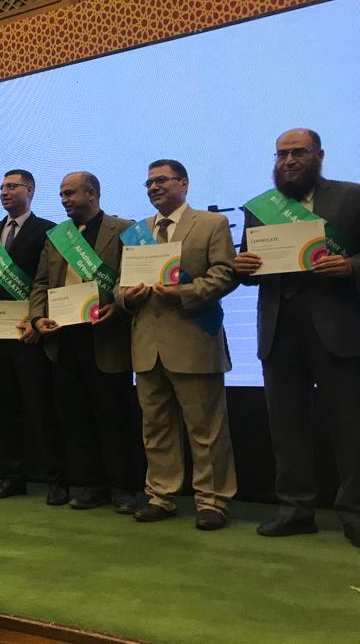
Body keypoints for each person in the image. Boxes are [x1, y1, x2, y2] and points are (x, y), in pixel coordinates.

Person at [233, 128, 360, 547]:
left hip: (337, 330)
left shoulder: (351, 197)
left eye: (298, 152)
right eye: (281, 154)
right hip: (278, 331)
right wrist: (242, 267)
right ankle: (295, 509)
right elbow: (251, 268)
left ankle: (354, 512)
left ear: (318, 155)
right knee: (286, 428)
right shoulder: (260, 208)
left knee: (350, 426)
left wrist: (350, 267)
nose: (288, 161)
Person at [115, 160, 238, 530]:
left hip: (194, 340)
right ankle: (161, 496)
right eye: (148, 183)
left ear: (184, 183)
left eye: (161, 180)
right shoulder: (136, 233)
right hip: (146, 346)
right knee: (156, 428)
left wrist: (182, 293)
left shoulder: (211, 224)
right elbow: (120, 285)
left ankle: (212, 502)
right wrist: (127, 297)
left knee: (206, 430)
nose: (153, 188)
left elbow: (225, 273)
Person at [30, 173, 144, 513]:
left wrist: (119, 308)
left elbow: (135, 277)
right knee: (76, 419)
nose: (64, 200)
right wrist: (37, 318)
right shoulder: (57, 237)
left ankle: (123, 488)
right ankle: (91, 485)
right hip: (64, 341)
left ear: (91, 193)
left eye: (70, 193)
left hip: (107, 338)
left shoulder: (124, 228)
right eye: (61, 194)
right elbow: (40, 283)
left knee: (114, 417)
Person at [0, 170, 68, 504]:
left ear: (30, 190)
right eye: (1, 187)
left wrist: (38, 318)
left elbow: (54, 281)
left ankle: (57, 479)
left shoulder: (49, 230)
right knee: (5, 409)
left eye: (12, 186)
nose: (4, 192)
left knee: (42, 408)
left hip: (33, 335)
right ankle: (11, 476)